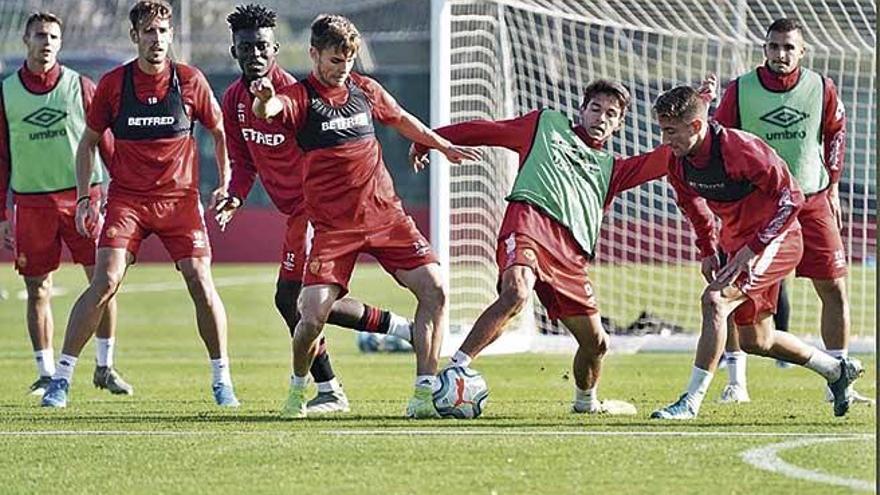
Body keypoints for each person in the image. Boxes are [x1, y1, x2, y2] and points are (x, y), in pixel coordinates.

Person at [251, 14, 478, 419]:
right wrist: (265, 95)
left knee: (435, 288)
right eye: (335, 61)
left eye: (349, 60)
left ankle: (424, 396)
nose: (343, 69)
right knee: (311, 314)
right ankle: (297, 392)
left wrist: (441, 145)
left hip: (387, 217)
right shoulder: (301, 98)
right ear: (314, 54)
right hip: (335, 229)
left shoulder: (364, 88)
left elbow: (401, 118)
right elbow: (270, 108)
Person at [410, 80, 675, 415]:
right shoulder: (545, 125)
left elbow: (669, 156)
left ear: (619, 124)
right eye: (596, 109)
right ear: (582, 110)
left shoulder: (614, 169)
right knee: (517, 292)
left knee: (596, 343)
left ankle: (586, 403)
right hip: (529, 226)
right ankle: (457, 368)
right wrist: (429, 139)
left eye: (611, 114)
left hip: (570, 256)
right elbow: (487, 130)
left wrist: (703, 112)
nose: (601, 118)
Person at [41, 0, 239, 408]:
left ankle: (223, 381)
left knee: (200, 281)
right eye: (148, 31)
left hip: (180, 202)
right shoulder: (114, 84)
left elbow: (219, 132)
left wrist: (224, 185)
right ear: (135, 36)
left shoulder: (190, 80)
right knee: (105, 280)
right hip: (127, 202)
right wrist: (84, 199)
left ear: (171, 35)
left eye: (163, 31)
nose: (157, 39)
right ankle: (60, 379)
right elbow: (88, 145)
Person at [218, 4, 414, 414]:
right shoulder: (234, 99)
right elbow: (245, 162)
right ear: (234, 50)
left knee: (294, 300)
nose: (255, 54)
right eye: (246, 47)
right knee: (299, 302)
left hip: (316, 211)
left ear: (275, 50)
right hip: (294, 214)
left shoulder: (295, 95)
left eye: (262, 47)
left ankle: (330, 389)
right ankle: (399, 332)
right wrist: (234, 196)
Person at [649, 86, 863, 420]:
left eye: (671, 131)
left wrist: (752, 248)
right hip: (738, 243)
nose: (665, 140)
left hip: (778, 239)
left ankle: (690, 402)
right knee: (755, 340)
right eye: (662, 130)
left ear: (695, 126)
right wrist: (708, 250)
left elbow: (792, 197)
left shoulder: (741, 149)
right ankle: (836, 371)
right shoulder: (677, 164)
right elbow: (693, 208)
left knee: (715, 301)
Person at [710, 18, 871, 405]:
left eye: (788, 47)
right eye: (774, 46)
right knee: (735, 289)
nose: (781, 54)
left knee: (834, 289)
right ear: (764, 49)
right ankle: (736, 382)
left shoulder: (821, 88)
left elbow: (835, 132)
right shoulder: (740, 90)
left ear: (802, 51)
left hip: (812, 200)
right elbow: (719, 139)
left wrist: (832, 184)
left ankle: (840, 381)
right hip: (759, 207)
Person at [0, 12, 132, 397]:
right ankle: (45, 371)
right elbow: (2, 158)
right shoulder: (7, 93)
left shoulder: (81, 87)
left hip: (83, 201)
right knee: (37, 288)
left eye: (54, 37)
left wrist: (119, 195)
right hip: (31, 204)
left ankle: (105, 367)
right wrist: (2, 215)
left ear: (61, 42)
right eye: (40, 35)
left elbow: (106, 145)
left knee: (104, 283)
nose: (46, 42)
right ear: (25, 40)